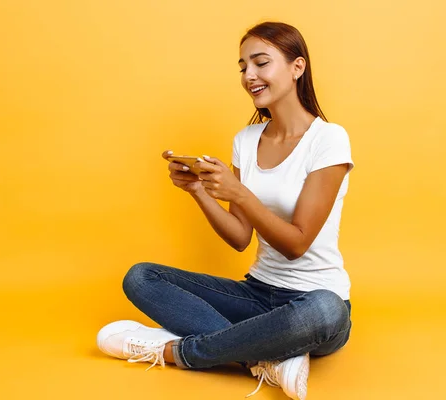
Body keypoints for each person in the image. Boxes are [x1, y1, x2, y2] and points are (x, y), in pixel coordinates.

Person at [97, 21, 354, 400]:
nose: (249, 75)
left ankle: (177, 352)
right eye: (243, 67)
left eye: (261, 63)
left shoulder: (329, 139)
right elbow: (239, 238)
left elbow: (297, 244)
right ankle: (266, 357)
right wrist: (199, 191)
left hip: (311, 304)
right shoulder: (246, 141)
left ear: (297, 67)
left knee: (325, 310)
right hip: (256, 297)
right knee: (141, 277)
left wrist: (241, 193)